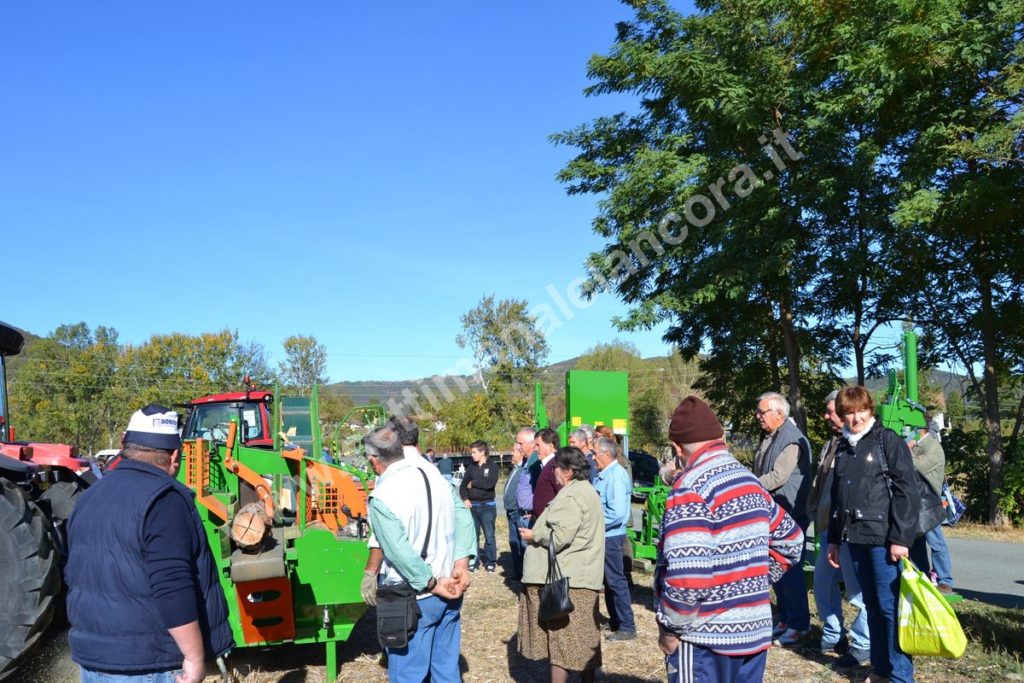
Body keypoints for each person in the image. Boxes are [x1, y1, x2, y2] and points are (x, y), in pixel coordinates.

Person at [66, 405, 233, 683]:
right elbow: (172, 585)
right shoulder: (164, 500)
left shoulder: (89, 497)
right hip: (148, 665)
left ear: (125, 445)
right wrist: (193, 657)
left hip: (92, 662)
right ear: (175, 456)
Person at [657, 397, 804, 683]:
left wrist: (671, 630)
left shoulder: (690, 488)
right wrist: (754, 580)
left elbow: (688, 575)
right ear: (718, 438)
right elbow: (792, 540)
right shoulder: (748, 481)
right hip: (753, 634)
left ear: (677, 448)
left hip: (703, 639)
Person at [364, 425, 476, 683]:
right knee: (446, 672)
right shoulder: (434, 475)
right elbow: (464, 518)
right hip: (450, 588)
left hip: (414, 596)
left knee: (408, 676)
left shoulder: (383, 494)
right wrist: (461, 564)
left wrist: (431, 583)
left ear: (373, 459)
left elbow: (398, 551)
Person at [827, 386, 921, 683]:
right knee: (872, 606)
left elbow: (908, 492)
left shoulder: (886, 440)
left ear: (871, 409)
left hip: (884, 541)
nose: (855, 418)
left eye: (861, 411)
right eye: (849, 412)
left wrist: (901, 539)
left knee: (890, 609)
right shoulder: (844, 446)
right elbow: (837, 496)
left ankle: (901, 676)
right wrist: (833, 539)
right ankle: (881, 669)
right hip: (854, 538)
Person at [517, 446, 605, 683]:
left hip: (569, 580)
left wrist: (533, 535)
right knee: (583, 641)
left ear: (567, 472)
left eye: (555, 467)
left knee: (562, 644)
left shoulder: (572, 495)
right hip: (580, 577)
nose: (553, 471)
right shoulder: (585, 491)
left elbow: (560, 536)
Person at [807, 390, 871, 668]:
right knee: (823, 584)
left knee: (859, 593)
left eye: (831, 410)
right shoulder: (833, 443)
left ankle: (863, 644)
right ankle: (833, 636)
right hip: (828, 528)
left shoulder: (863, 443)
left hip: (851, 530)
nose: (826, 416)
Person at [752, 391, 812, 646]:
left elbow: (778, 476)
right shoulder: (771, 435)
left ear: (779, 413)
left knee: (791, 570)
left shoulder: (791, 439)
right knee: (775, 568)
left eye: (762, 412)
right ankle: (786, 619)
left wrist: (748, 484)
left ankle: (799, 624)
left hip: (791, 514)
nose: (758, 416)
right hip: (775, 514)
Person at [593, 436, 636, 640]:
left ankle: (627, 626)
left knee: (616, 581)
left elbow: (617, 513)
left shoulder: (615, 476)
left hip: (611, 537)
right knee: (609, 582)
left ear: (606, 454)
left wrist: (594, 524)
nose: (593, 458)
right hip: (605, 536)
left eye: (595, 453)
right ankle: (616, 621)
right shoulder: (604, 474)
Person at [907, 419, 956, 594]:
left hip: (929, 504)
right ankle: (923, 575)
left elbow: (916, 467)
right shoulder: (917, 446)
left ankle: (945, 580)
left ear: (919, 429)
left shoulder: (933, 448)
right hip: (914, 502)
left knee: (936, 542)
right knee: (916, 542)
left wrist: (905, 450)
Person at [461, 440, 499, 573]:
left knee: (489, 536)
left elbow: (490, 483)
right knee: (473, 536)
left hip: (487, 506)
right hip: (473, 507)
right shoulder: (471, 467)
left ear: (482, 452)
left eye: (474, 452)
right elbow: (463, 486)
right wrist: (465, 499)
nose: (472, 455)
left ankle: (490, 562)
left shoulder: (493, 466)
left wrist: (474, 482)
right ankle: (474, 561)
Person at [504, 430, 532, 580]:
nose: (513, 454)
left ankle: (523, 573)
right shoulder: (515, 469)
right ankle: (517, 572)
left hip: (519, 512)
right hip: (511, 512)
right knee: (514, 542)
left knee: (523, 545)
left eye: (515, 450)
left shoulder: (525, 469)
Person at [531, 428, 563, 519]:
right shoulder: (547, 465)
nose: (535, 449)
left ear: (550, 445)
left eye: (538, 445)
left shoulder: (555, 465)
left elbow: (562, 494)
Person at [515, 427, 540, 525]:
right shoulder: (527, 461)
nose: (517, 447)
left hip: (531, 517)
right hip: (523, 515)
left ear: (532, 444)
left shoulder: (535, 462)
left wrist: (535, 513)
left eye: (520, 443)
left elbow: (539, 490)